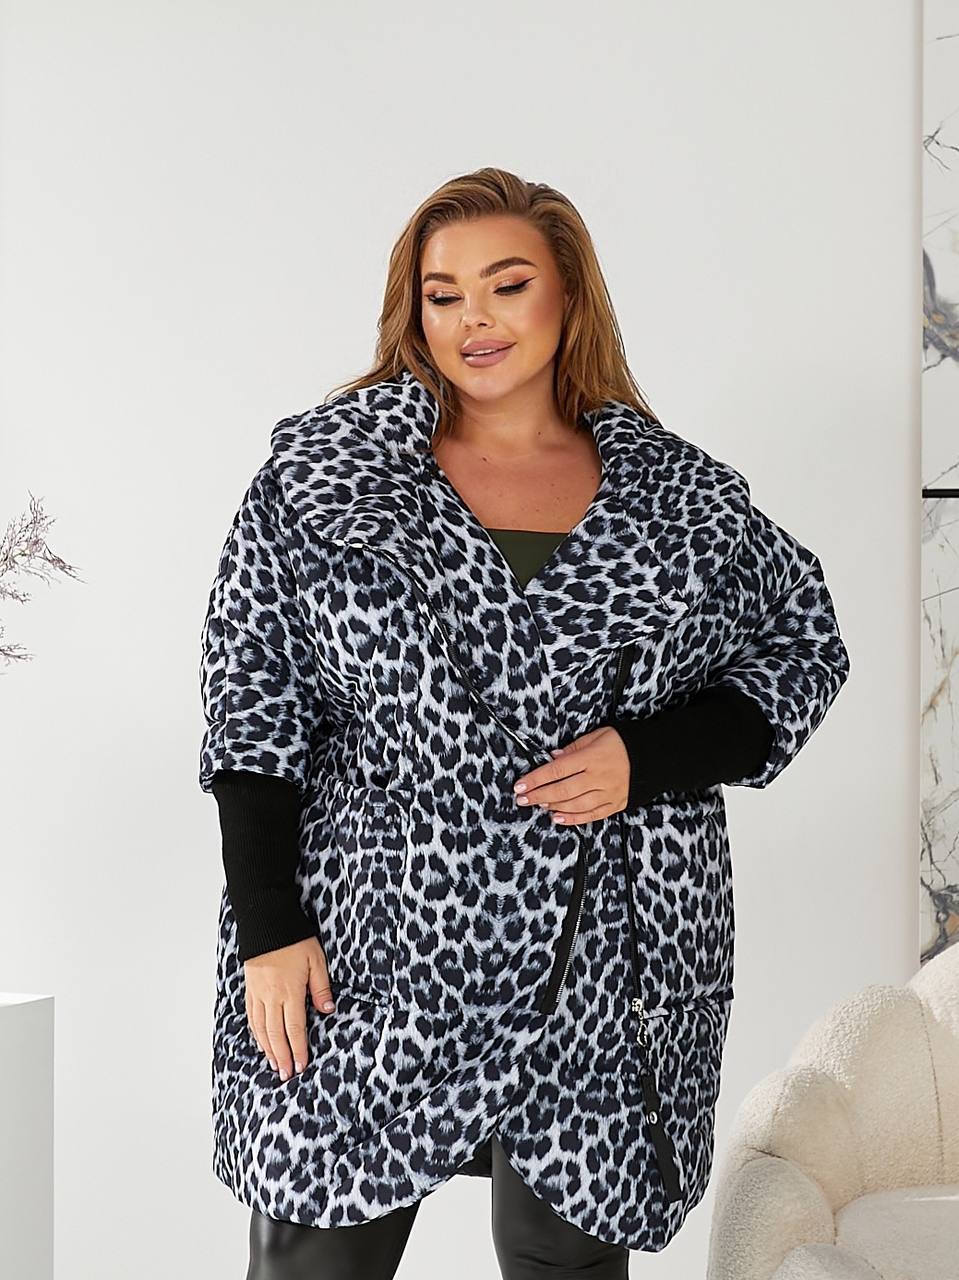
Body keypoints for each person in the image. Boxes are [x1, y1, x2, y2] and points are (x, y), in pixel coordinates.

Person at [197, 166, 851, 1279]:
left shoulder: (677, 502)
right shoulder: (325, 481)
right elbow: (251, 701)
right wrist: (268, 923)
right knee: (312, 1254)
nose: (474, 320)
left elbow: (802, 646)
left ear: (568, 297)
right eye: (442, 294)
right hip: (372, 932)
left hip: (605, 942)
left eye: (506, 285)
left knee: (563, 1259)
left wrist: (647, 755)